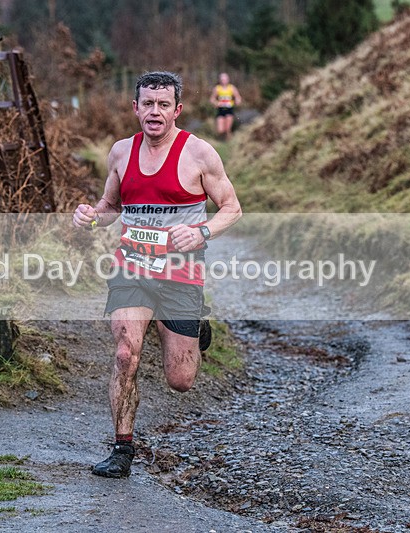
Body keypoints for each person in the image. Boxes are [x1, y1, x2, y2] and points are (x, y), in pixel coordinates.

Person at [72, 71, 242, 478]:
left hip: (180, 275)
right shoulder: (120, 153)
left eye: (163, 104)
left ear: (177, 110)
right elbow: (111, 205)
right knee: (125, 353)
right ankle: (122, 449)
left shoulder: (199, 154)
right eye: (147, 103)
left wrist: (200, 230)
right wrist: (93, 217)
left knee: (180, 379)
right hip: (131, 268)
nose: (154, 111)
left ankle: (194, 330)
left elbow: (232, 208)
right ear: (135, 108)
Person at [209, 72, 242, 140]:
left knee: (227, 129)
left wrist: (237, 101)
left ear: (228, 80)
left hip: (229, 109)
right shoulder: (217, 88)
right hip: (220, 110)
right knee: (220, 130)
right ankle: (220, 141)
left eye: (225, 79)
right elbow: (212, 99)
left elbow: (238, 97)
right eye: (222, 79)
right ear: (219, 80)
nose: (223, 81)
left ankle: (229, 142)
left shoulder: (232, 88)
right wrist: (216, 103)